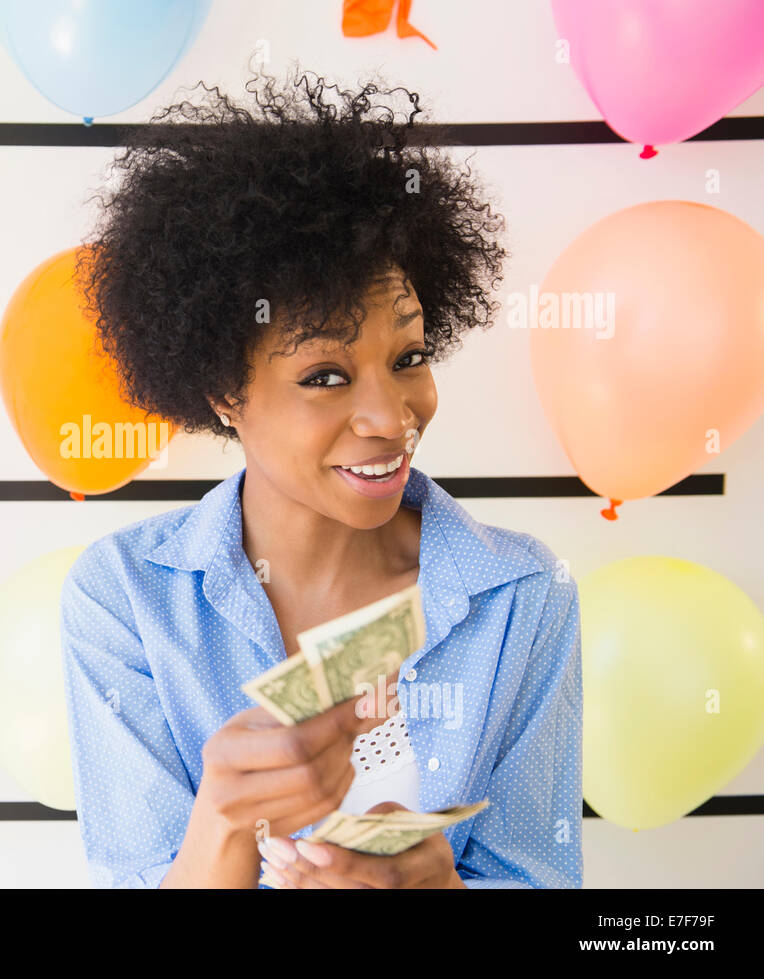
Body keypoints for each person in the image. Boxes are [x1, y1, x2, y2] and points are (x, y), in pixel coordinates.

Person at [59, 65, 582, 889]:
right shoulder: (124, 600)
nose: (390, 415)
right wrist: (225, 826)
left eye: (408, 358)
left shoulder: (522, 597)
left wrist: (437, 886)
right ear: (225, 391)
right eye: (326, 376)